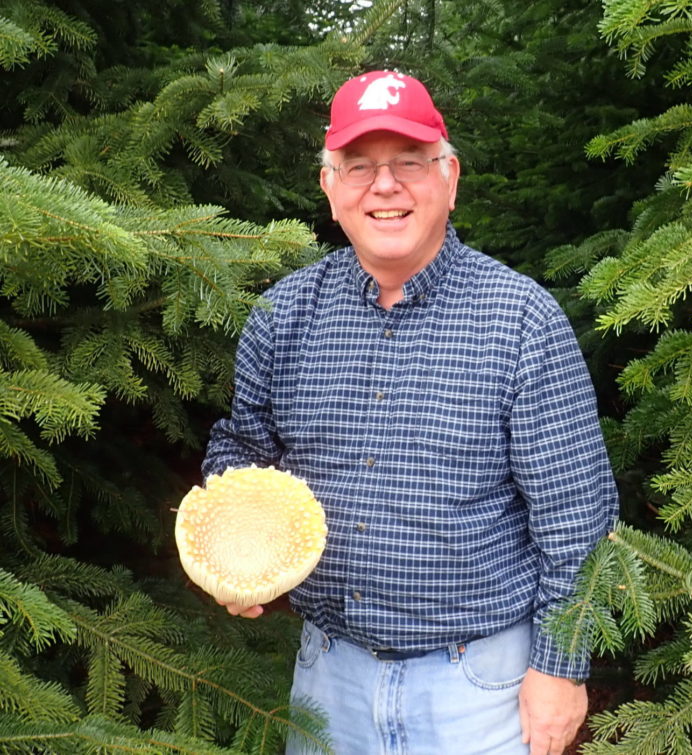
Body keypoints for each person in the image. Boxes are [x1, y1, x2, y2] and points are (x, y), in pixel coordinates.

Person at [202, 70, 619, 755]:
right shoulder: (283, 315)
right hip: (327, 679)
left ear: (449, 177)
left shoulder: (521, 321)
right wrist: (236, 555)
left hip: (478, 689)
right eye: (359, 166)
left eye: (409, 163)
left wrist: (560, 669)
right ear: (329, 188)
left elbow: (579, 521)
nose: (385, 186)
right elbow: (243, 450)